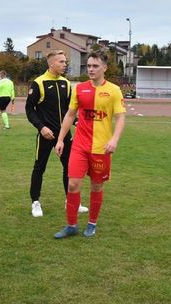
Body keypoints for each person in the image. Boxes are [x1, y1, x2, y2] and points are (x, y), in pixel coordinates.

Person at [53, 50, 126, 239]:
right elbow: (70, 115)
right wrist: (61, 139)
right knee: (73, 184)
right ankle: (71, 225)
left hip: (101, 148)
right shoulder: (79, 89)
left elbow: (120, 118)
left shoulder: (114, 90)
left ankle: (92, 223)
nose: (91, 69)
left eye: (95, 66)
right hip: (79, 145)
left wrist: (114, 139)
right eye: (89, 66)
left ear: (105, 68)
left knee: (96, 187)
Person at [25, 50, 88, 217]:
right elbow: (29, 109)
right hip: (46, 135)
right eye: (61, 61)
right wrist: (41, 127)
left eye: (65, 61)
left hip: (64, 135)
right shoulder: (38, 83)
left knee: (69, 167)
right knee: (40, 167)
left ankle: (71, 201)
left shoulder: (66, 83)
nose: (64, 64)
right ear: (51, 64)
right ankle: (35, 202)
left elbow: (69, 110)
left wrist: (76, 122)